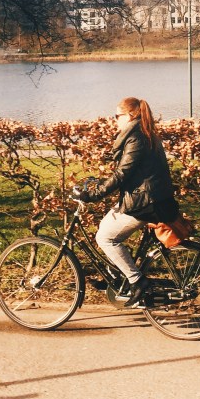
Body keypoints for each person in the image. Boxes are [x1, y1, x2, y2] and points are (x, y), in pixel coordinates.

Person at [82, 96, 179, 305]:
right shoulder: (143, 133)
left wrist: (94, 195)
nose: (115, 120)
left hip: (145, 203)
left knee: (105, 239)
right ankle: (118, 274)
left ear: (131, 115)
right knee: (105, 225)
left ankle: (137, 281)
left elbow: (122, 174)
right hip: (148, 197)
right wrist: (99, 183)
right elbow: (129, 172)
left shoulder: (137, 138)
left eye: (118, 115)